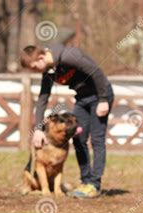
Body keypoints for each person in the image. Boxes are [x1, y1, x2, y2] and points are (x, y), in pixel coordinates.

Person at [20, 44, 114, 199]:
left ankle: (94, 184)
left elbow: (97, 72)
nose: (35, 71)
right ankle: (85, 181)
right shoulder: (49, 70)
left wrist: (103, 100)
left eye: (34, 67)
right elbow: (43, 98)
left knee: (97, 139)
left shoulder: (69, 56)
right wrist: (38, 128)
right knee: (77, 137)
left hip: (100, 95)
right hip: (82, 98)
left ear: (41, 58)